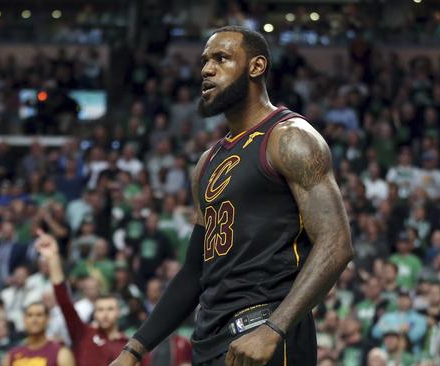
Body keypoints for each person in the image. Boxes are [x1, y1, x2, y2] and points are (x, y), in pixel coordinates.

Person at [108, 25, 353, 366]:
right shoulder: (207, 162)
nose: (207, 69)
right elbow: (194, 271)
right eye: (205, 61)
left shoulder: (290, 138)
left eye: (221, 59)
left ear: (256, 67)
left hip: (264, 329)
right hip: (211, 337)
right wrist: (134, 350)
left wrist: (274, 329)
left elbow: (336, 243)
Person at [33, 229, 127, 366]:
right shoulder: (83, 334)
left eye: (110, 309)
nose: (105, 314)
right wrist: (53, 258)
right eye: (100, 310)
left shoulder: (129, 345)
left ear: (118, 312)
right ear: (94, 314)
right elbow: (64, 301)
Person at [4, 302, 75, 366]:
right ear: (24, 320)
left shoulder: (60, 352)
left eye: (39, 315)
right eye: (30, 315)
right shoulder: (12, 354)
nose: (34, 320)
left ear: (48, 319)